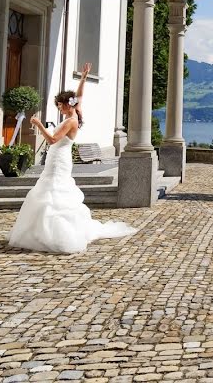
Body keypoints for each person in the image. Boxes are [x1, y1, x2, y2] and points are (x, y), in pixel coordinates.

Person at [9, 63, 136, 253]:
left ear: (68, 104)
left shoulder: (70, 121)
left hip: (59, 158)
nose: (59, 109)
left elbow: (52, 139)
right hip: (58, 158)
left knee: (53, 192)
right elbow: (80, 96)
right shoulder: (76, 112)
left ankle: (56, 235)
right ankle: (40, 232)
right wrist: (83, 78)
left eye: (60, 106)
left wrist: (38, 124)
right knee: (49, 190)